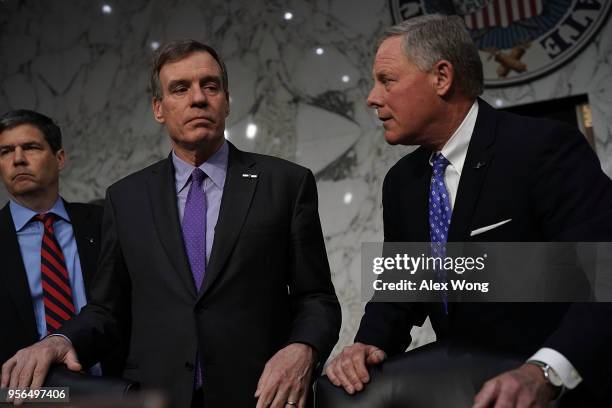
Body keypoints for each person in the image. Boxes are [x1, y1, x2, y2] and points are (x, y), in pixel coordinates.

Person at [1, 41, 341, 407]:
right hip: (158, 397)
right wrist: (59, 341)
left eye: (210, 86)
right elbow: (106, 310)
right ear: (158, 108)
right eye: (180, 88)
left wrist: (303, 348)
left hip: (262, 395)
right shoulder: (126, 198)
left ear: (227, 100)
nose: (198, 98)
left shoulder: (285, 182)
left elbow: (317, 298)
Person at [324, 14, 612, 407]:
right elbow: (403, 288)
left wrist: (545, 371)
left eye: (387, 80)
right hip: (466, 393)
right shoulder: (402, 182)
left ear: (441, 78)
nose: (372, 98)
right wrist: (366, 346)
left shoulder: (542, 149)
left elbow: (603, 276)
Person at [0, 110, 123, 374]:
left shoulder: (104, 223)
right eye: (6, 152)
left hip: (110, 388)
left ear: (60, 158)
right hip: (26, 396)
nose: (18, 159)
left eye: (30, 147)